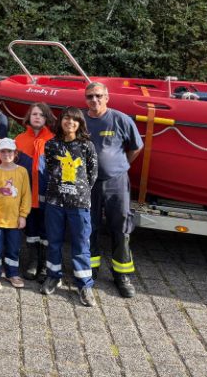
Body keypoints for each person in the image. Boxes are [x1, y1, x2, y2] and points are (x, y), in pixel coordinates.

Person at [84, 82, 144, 298]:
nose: (94, 100)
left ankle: (122, 274)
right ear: (85, 99)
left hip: (116, 182)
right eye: (90, 96)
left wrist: (120, 165)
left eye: (98, 96)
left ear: (107, 97)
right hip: (88, 184)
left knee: (121, 226)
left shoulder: (120, 119)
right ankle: (90, 268)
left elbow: (136, 147)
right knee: (89, 225)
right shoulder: (80, 121)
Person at [41, 106, 98, 307]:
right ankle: (53, 276)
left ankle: (84, 284)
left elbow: (92, 174)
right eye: (66, 118)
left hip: (79, 203)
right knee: (53, 241)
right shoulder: (51, 145)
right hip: (55, 202)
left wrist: (78, 191)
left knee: (81, 244)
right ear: (61, 121)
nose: (70, 123)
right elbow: (48, 169)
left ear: (80, 124)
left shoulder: (86, 146)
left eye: (74, 120)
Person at [0, 138, 31, 290]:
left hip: (15, 220)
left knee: (13, 248)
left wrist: (23, 215)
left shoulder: (22, 172)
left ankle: (12, 273)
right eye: (3, 151)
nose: (6, 154)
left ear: (15, 153)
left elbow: (26, 195)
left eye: (9, 151)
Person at [15, 102, 55, 281]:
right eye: (34, 114)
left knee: (46, 229)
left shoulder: (53, 140)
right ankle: (32, 261)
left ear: (47, 118)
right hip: (27, 195)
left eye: (41, 114)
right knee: (31, 229)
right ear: (28, 117)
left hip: (47, 195)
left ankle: (45, 264)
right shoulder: (20, 139)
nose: (37, 117)